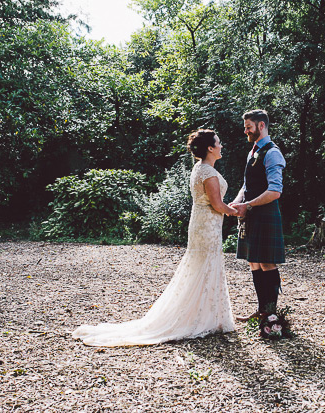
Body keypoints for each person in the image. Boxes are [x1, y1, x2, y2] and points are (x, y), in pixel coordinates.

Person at [73, 129, 239, 347]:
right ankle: (201, 318)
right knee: (205, 267)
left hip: (203, 224)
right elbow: (217, 205)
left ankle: (208, 316)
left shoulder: (201, 168)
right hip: (206, 226)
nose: (221, 146)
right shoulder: (207, 171)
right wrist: (237, 211)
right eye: (218, 143)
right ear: (210, 148)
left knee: (203, 267)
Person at [229, 109, 286, 322]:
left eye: (248, 127)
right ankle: (262, 309)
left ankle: (271, 315)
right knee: (253, 262)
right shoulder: (252, 151)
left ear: (261, 126)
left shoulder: (272, 153)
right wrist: (237, 202)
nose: (245, 131)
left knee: (267, 263)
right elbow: (247, 184)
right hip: (251, 214)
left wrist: (248, 205)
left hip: (266, 214)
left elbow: (275, 191)